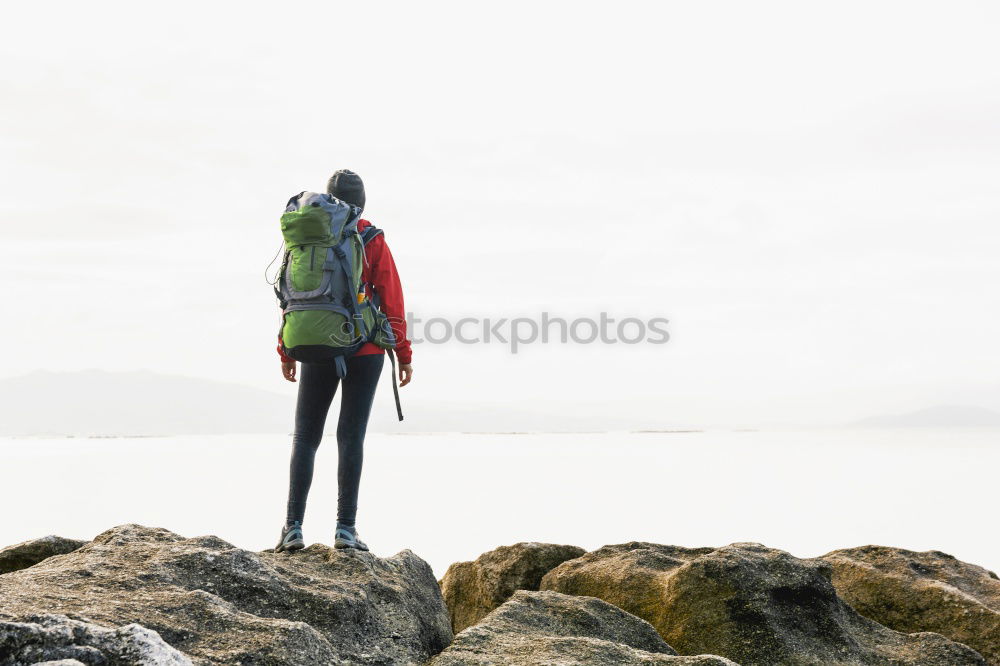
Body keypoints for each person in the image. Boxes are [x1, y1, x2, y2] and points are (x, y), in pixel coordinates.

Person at [275, 169, 412, 552]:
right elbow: (392, 299)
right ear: (363, 201)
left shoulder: (310, 235)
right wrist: (403, 353)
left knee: (305, 436)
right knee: (350, 436)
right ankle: (345, 530)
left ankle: (292, 528)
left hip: (315, 345)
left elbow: (293, 296)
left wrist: (285, 349)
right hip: (365, 350)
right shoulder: (370, 237)